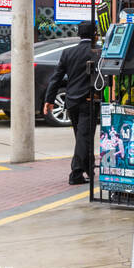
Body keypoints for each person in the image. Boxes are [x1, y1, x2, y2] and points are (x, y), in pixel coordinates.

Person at [44, 20, 99, 185]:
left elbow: (56, 78)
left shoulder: (68, 53)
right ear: (95, 34)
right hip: (89, 100)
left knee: (82, 137)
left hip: (71, 101)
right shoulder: (97, 52)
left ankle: (89, 169)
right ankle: (75, 174)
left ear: (79, 34)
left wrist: (49, 99)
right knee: (85, 137)